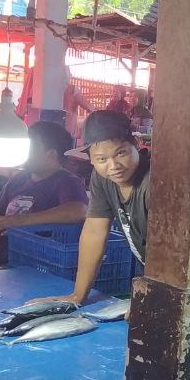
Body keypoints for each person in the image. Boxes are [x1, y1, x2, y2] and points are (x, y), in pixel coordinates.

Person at [41, 111, 150, 306]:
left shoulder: (153, 182)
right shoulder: (102, 178)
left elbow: (173, 251)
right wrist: (77, 296)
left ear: (136, 144)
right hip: (152, 277)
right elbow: (94, 231)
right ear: (90, 158)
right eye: (102, 159)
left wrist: (153, 299)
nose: (113, 166)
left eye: (121, 153)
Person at [0, 120, 88, 235]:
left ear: (51, 154)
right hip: (2, 254)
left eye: (30, 147)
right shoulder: (20, 178)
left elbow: (79, 211)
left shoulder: (67, 181)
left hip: (36, 257)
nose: (24, 151)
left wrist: (18, 221)